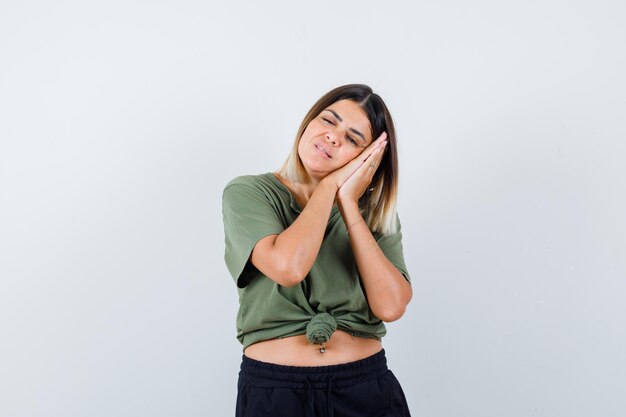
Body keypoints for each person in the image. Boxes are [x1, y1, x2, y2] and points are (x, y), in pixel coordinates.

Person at [222, 84, 413, 417]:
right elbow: (288, 267)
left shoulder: (375, 214)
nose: (334, 137)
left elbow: (392, 305)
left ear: (369, 159)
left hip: (364, 388)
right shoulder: (248, 192)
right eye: (328, 120)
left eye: (353, 139)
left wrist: (350, 206)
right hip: (276, 393)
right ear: (309, 122)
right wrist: (328, 186)